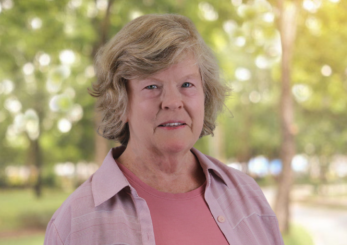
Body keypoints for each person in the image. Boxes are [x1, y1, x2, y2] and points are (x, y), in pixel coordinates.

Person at [44, 14, 284, 245]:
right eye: (151, 86)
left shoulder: (247, 195)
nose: (172, 101)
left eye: (187, 84)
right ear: (121, 104)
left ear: (205, 96)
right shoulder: (75, 223)